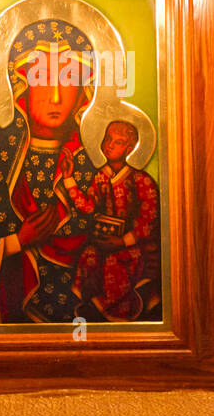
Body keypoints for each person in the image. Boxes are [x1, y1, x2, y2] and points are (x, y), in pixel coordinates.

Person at [0, 18, 98, 323]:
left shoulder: (91, 166)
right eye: (42, 77)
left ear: (84, 92)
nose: (55, 96)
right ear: (21, 85)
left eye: (68, 79)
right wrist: (16, 241)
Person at [60, 119, 161, 321]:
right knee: (88, 256)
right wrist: (68, 178)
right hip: (105, 241)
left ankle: (102, 308)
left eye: (119, 142)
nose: (110, 145)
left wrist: (123, 241)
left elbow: (149, 220)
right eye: (108, 139)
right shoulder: (100, 177)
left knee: (115, 263)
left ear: (129, 149)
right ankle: (78, 305)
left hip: (133, 246)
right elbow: (88, 206)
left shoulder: (140, 180)